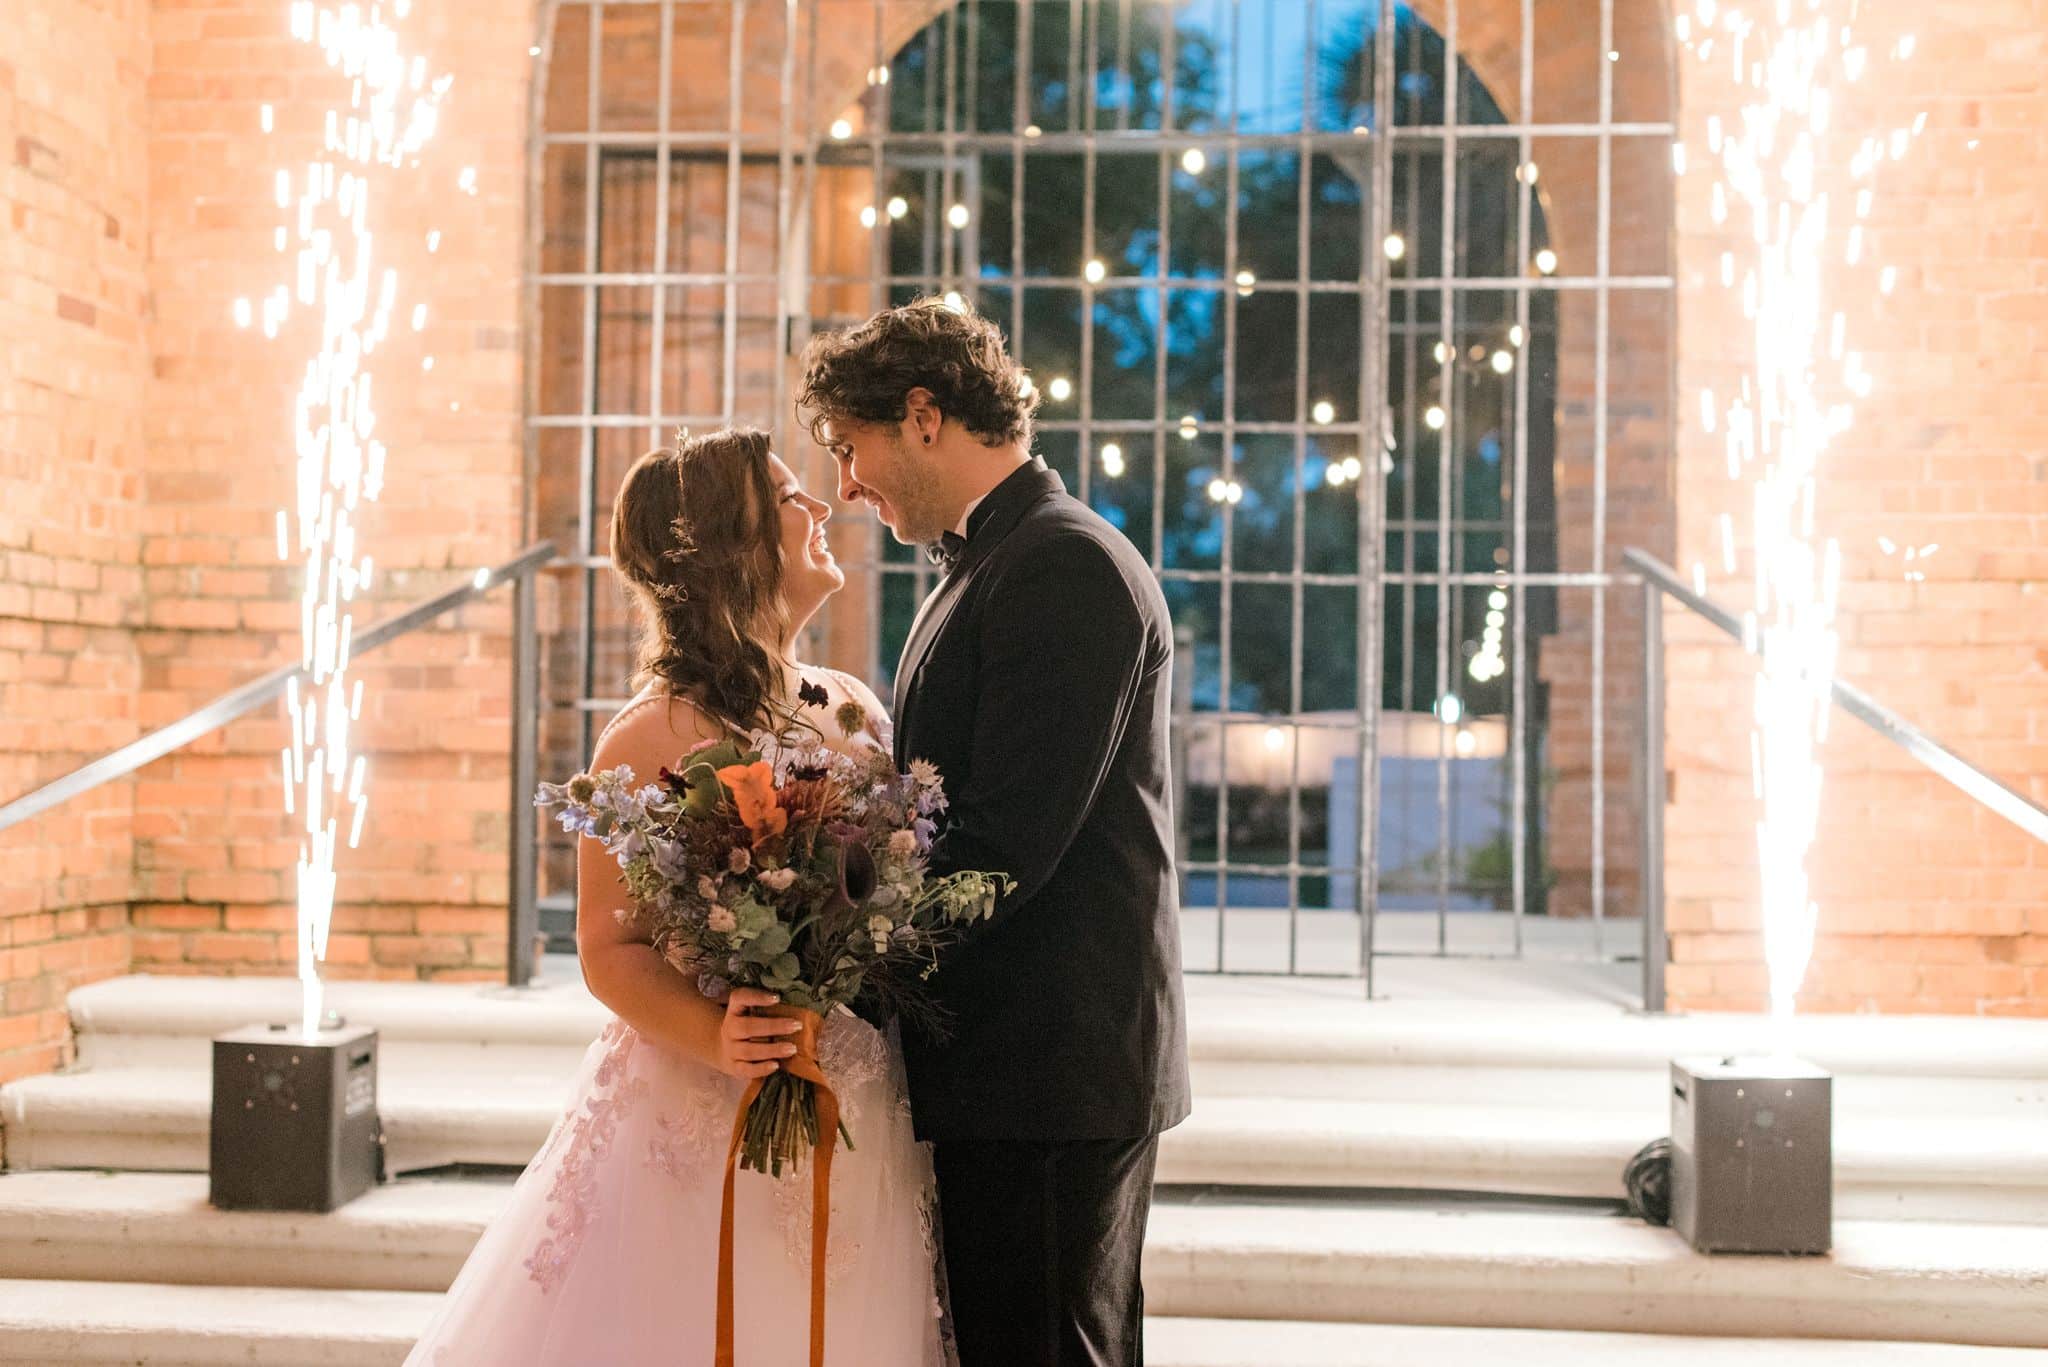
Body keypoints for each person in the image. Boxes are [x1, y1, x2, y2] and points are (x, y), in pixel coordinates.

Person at [403, 427, 949, 1366]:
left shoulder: (852, 705)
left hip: (852, 1084)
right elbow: (609, 949)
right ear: (733, 544)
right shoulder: (650, 734)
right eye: (787, 497)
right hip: (701, 1105)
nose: (818, 507)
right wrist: (719, 1035)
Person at [800, 299, 1190, 1367]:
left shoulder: (1061, 564)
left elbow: (999, 847)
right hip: (1006, 1060)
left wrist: (827, 962)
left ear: (922, 413)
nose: (845, 484)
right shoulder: (989, 560)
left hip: (1051, 1063)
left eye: (850, 447)